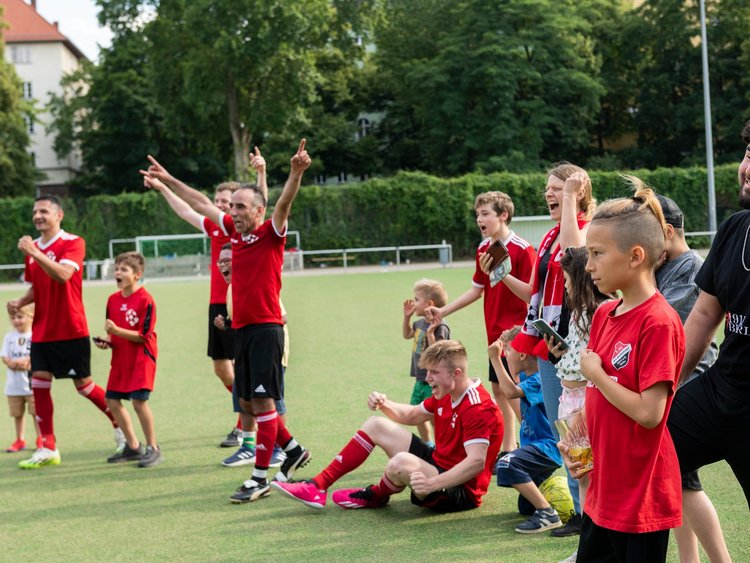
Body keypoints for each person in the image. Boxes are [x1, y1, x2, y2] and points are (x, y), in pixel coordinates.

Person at [142, 139, 312, 503]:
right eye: (231, 206)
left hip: (267, 329)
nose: (232, 211)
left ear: (258, 210)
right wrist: (170, 179)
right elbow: (200, 202)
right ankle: (294, 451)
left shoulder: (271, 233)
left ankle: (259, 478)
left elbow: (283, 202)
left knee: (264, 406)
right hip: (243, 330)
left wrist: (295, 173)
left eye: (240, 206)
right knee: (250, 402)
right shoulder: (234, 234)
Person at [569, 178, 685, 562]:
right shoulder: (605, 312)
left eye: (598, 253)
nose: (589, 265)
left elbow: (649, 414)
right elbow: (598, 397)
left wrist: (597, 374)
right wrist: (577, 437)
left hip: (641, 498)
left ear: (635, 256)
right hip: (605, 486)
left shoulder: (659, 322)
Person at [271, 340, 502, 512]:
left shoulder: (477, 407)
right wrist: (384, 404)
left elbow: (476, 462)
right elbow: (412, 415)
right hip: (439, 463)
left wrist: (433, 483)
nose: (428, 378)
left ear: (457, 373)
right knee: (377, 424)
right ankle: (317, 486)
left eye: (434, 372)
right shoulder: (447, 391)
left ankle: (376, 495)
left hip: (460, 490)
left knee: (399, 462)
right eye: (427, 371)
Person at [145, 147, 266, 448]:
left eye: (228, 202)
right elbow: (189, 208)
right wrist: (163, 187)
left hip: (247, 306)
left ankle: (249, 427)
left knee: (246, 370)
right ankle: (246, 415)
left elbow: (264, 202)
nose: (222, 207)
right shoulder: (217, 227)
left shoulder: (253, 233)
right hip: (218, 304)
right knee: (222, 368)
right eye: (219, 202)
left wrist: (261, 173)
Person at [665, 137, 750, 563]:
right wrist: (667, 391)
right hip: (721, 393)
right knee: (647, 454)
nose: (747, 167)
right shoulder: (736, 228)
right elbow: (702, 317)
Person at [502, 163, 595, 535]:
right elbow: (534, 292)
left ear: (578, 192)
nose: (549, 194)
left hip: (575, 345)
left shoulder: (589, 229)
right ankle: (579, 511)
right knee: (566, 429)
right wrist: (501, 275)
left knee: (578, 429)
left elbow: (575, 255)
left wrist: (571, 197)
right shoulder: (548, 235)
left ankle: (589, 515)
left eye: (558, 188)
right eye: (548, 188)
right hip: (549, 343)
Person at [7, 195, 122, 470]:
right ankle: (48, 446)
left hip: (71, 329)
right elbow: (38, 284)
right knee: (39, 384)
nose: (38, 216)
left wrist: (35, 253)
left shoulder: (73, 243)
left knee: (84, 387)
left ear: (59, 215)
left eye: (44, 211)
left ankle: (119, 426)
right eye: (35, 211)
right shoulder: (32, 249)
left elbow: (62, 276)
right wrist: (20, 302)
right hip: (43, 332)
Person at [428, 191, 535, 455]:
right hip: (493, 334)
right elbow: (476, 290)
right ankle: (510, 447)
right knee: (499, 389)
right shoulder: (483, 248)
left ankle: (536, 445)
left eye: (485, 213)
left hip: (515, 335)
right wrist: (443, 310)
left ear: (503, 215)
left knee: (518, 393)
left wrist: (522, 332)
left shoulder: (523, 249)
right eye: (477, 214)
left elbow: (534, 295)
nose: (479, 219)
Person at [653, 194, 729, 563]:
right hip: (667, 383)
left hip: (687, 382)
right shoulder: (660, 267)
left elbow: (671, 329)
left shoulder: (690, 268)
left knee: (683, 482)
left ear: (666, 232)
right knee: (674, 481)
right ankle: (690, 559)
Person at [543, 246, 611, 545]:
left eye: (569, 280)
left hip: (587, 401)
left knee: (594, 476)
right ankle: (588, 544)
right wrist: (560, 353)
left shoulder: (603, 311)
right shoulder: (578, 313)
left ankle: (600, 543)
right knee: (581, 474)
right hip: (568, 403)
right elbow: (577, 353)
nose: (566, 286)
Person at [214, 243, 287, 469]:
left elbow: (281, 317)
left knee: (272, 400)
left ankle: (280, 449)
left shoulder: (257, 282)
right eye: (221, 261)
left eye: (228, 259)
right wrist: (227, 324)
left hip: (270, 350)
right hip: (246, 350)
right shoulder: (231, 288)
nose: (223, 264)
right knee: (242, 398)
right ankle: (248, 447)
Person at [489, 327, 563, 534]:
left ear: (522, 354)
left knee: (505, 464)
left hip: (548, 448)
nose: (505, 357)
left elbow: (510, 392)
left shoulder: (540, 379)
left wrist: (495, 359)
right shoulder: (528, 378)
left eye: (508, 352)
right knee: (525, 508)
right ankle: (545, 498)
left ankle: (548, 513)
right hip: (535, 447)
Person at [94, 252, 161, 468]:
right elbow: (114, 333)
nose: (117, 273)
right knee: (112, 400)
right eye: (117, 269)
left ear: (137, 275)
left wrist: (117, 332)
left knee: (139, 402)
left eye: (124, 270)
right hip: (121, 359)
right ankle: (133, 446)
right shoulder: (112, 300)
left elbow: (143, 335)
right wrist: (107, 341)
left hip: (141, 360)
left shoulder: (146, 300)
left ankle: (153, 448)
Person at [402, 278, 450, 445]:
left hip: (434, 381)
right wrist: (406, 317)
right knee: (417, 413)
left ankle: (441, 445)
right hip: (420, 379)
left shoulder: (440, 327)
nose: (413, 303)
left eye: (416, 299)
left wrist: (431, 334)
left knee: (435, 416)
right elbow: (407, 334)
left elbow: (439, 354)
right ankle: (428, 444)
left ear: (429, 303)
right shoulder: (419, 323)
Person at [2, 303, 42, 452]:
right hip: (14, 386)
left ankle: (40, 439)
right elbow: (4, 357)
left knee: (36, 413)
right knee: (17, 414)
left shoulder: (35, 336)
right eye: (13, 317)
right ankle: (20, 440)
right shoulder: (9, 337)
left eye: (20, 317)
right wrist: (11, 362)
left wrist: (28, 362)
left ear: (30, 317)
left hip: (31, 386)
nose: (16, 320)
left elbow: (36, 358)